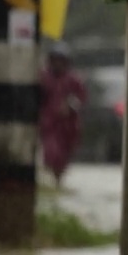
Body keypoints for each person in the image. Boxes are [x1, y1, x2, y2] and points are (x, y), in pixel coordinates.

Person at [39, 42, 87, 188]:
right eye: (55, 60)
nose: (58, 64)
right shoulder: (44, 78)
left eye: (61, 61)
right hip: (50, 123)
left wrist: (70, 106)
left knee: (65, 154)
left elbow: (81, 98)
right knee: (52, 151)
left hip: (67, 125)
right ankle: (54, 177)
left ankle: (59, 178)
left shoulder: (73, 80)